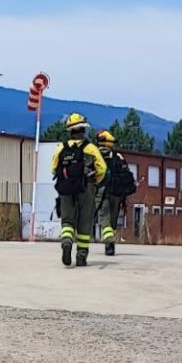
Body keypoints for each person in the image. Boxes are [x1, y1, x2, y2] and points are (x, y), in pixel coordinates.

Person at [50, 113, 107, 267]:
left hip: (66, 188)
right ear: (83, 130)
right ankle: (81, 255)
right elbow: (102, 168)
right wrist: (95, 182)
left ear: (70, 131)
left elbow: (53, 169)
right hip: (86, 187)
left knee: (67, 221)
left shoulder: (61, 148)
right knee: (85, 221)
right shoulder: (90, 148)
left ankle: (67, 243)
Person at [94, 130, 136, 256]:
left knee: (104, 220)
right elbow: (126, 174)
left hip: (101, 193)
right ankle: (111, 239)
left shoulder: (95, 155)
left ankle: (109, 242)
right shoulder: (118, 156)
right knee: (112, 221)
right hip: (117, 194)